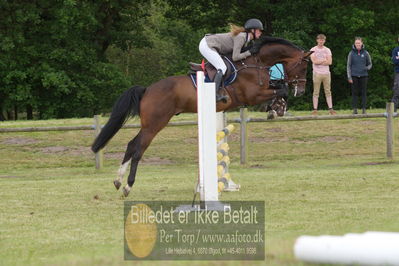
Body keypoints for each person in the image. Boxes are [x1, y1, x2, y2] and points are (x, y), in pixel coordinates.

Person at [199, 19, 263, 102]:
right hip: (207, 45)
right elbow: (235, 57)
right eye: (259, 30)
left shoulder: (245, 39)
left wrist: (249, 51)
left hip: (211, 45)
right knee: (222, 67)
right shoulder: (242, 37)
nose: (261, 32)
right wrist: (249, 52)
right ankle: (214, 94)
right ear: (252, 30)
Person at [310, 34, 336, 115]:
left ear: (324, 41)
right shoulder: (313, 49)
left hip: (326, 73)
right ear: (317, 40)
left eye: (323, 40)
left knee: (328, 91)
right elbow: (314, 61)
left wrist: (320, 61)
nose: (321, 41)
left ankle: (331, 109)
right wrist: (324, 60)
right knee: (316, 92)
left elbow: (330, 62)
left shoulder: (327, 50)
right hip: (316, 73)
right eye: (320, 40)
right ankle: (315, 109)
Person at [347, 37, 372, 114]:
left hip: (364, 75)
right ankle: (355, 109)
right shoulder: (351, 53)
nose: (358, 44)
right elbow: (348, 65)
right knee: (354, 93)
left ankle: (364, 109)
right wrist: (349, 76)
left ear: (362, 43)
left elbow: (370, 64)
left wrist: (366, 68)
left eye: (359, 43)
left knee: (363, 92)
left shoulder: (366, 53)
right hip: (354, 75)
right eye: (356, 43)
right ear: (354, 44)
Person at [391, 36, 399, 112]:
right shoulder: (395, 50)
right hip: (398, 72)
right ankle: (394, 109)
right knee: (396, 90)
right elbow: (395, 61)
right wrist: (396, 59)